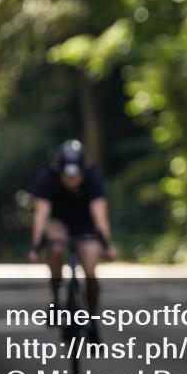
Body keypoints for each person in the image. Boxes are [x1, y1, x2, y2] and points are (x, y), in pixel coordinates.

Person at [27, 140, 116, 339]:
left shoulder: (93, 177)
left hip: (86, 226)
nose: (71, 180)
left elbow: (100, 215)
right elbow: (41, 213)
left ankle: (92, 321)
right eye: (66, 175)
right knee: (57, 248)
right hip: (58, 222)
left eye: (76, 175)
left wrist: (106, 245)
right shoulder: (47, 178)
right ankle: (56, 302)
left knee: (91, 273)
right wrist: (36, 247)